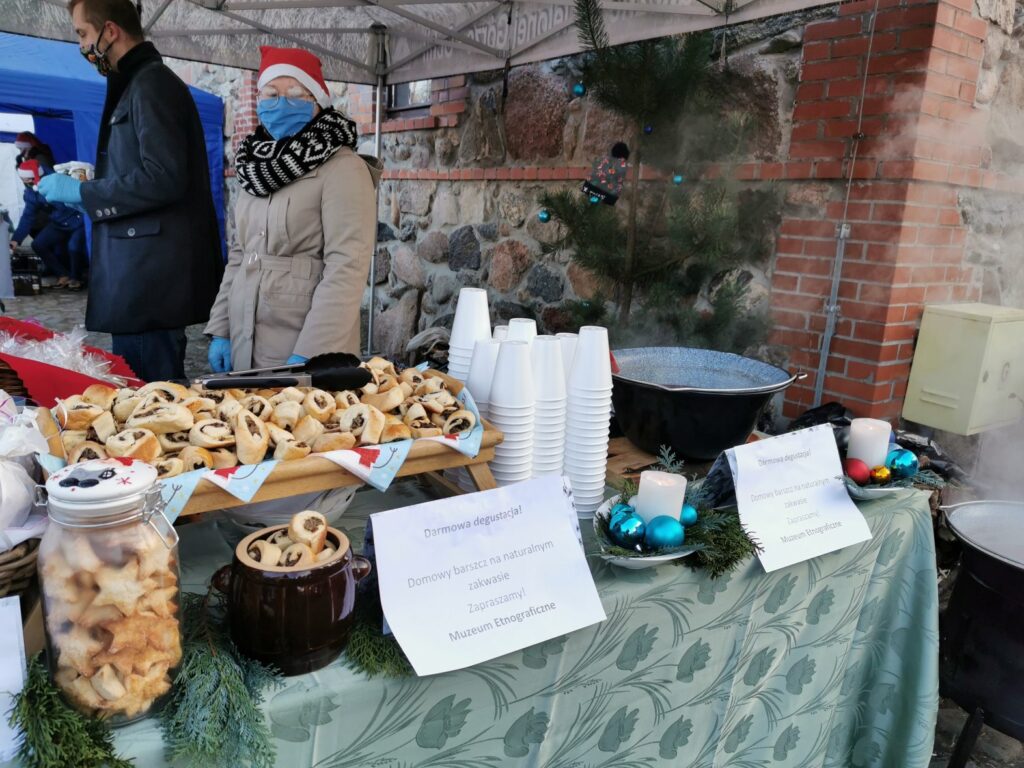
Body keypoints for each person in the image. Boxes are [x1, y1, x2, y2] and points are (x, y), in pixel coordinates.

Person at [38, 0, 223, 382]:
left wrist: (84, 193)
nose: (81, 45)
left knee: (149, 399)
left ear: (110, 31)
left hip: (147, 285)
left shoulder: (151, 84)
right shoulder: (139, 82)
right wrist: (94, 184)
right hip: (140, 281)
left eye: (83, 34)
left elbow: (165, 177)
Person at [204, 46, 381, 373]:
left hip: (301, 347)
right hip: (245, 341)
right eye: (271, 94)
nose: (281, 103)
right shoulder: (254, 166)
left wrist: (313, 352)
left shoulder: (343, 168)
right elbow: (241, 254)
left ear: (317, 103)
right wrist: (221, 328)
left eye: (296, 94)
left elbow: (347, 264)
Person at [10, 161, 87, 290]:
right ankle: (62, 274)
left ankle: (76, 278)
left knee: (73, 247)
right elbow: (28, 216)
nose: (24, 182)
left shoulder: (57, 180)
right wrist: (16, 239)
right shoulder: (31, 192)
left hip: (78, 220)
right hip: (59, 223)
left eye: (26, 179)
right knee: (38, 244)